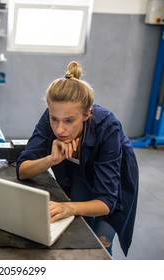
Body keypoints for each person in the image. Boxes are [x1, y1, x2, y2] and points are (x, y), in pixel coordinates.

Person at [16, 61, 138, 256]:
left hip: (112, 178)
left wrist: (68, 207)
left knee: (100, 241)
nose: (59, 129)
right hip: (77, 173)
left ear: (86, 114)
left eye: (69, 121)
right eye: (54, 119)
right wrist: (51, 160)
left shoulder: (108, 128)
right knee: (79, 231)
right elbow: (22, 169)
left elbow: (107, 202)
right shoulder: (52, 117)